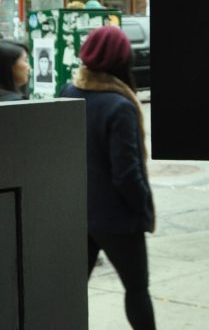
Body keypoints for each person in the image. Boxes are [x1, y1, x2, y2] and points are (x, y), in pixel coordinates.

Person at [60, 26, 156, 329]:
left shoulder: (68, 92)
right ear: (121, 59)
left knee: (70, 295)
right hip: (118, 220)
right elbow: (126, 173)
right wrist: (142, 207)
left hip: (78, 214)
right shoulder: (120, 105)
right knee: (137, 290)